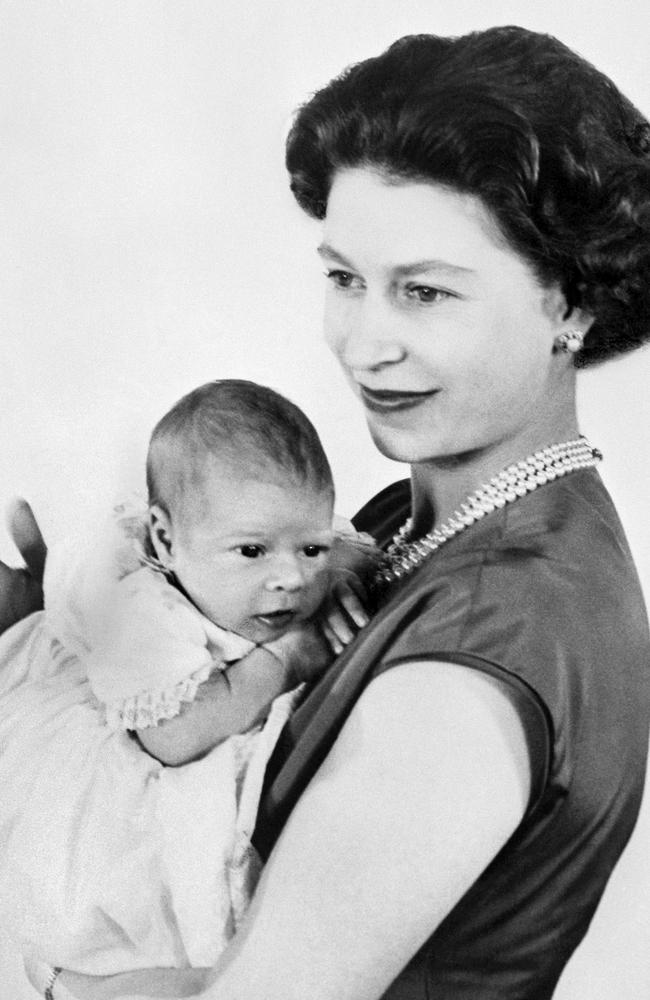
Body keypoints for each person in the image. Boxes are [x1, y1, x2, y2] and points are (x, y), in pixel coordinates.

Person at [5, 23, 650, 1000]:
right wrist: (50, 639)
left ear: (568, 303)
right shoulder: (424, 513)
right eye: (345, 278)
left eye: (424, 292)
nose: (362, 344)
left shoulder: (477, 664)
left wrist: (60, 982)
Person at [0, 379, 375, 984]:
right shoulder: (149, 618)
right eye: (252, 551)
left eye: (310, 546)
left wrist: (343, 575)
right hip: (136, 725)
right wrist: (281, 660)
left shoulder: (278, 551)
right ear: (168, 541)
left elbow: (352, 551)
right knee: (130, 876)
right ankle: (32, 595)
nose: (291, 577)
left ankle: (38, 583)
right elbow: (173, 739)